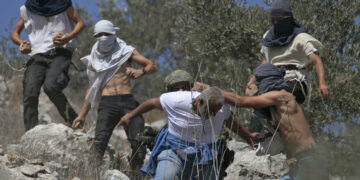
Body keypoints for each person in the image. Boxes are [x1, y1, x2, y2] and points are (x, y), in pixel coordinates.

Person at [194, 63, 329, 180]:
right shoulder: (281, 100)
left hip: (310, 161)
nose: (258, 86)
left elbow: (241, 101)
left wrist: (208, 89)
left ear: (267, 79)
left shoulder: (281, 96)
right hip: (303, 161)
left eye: (259, 82)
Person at [118, 87, 258, 180]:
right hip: (174, 151)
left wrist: (249, 137)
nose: (214, 114)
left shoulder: (220, 110)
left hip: (206, 156)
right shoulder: (177, 100)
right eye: (211, 110)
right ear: (199, 102)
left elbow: (232, 123)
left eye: (217, 110)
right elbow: (152, 103)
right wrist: (130, 115)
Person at [71, 19, 157, 169]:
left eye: (106, 33)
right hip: (107, 103)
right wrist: (82, 115)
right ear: (95, 36)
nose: (103, 37)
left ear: (113, 34)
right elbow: (92, 88)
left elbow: (152, 66)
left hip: (128, 101)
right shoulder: (94, 59)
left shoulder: (126, 52)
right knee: (99, 142)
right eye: (99, 34)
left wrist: (141, 71)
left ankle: (135, 172)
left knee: (139, 142)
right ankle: (92, 175)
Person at [10, 0, 84, 131]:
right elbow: (15, 33)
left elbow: (80, 23)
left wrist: (69, 37)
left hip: (61, 51)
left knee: (51, 86)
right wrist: (21, 43)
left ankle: (75, 122)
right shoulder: (27, 9)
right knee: (30, 90)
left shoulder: (63, 3)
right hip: (37, 54)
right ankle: (31, 132)